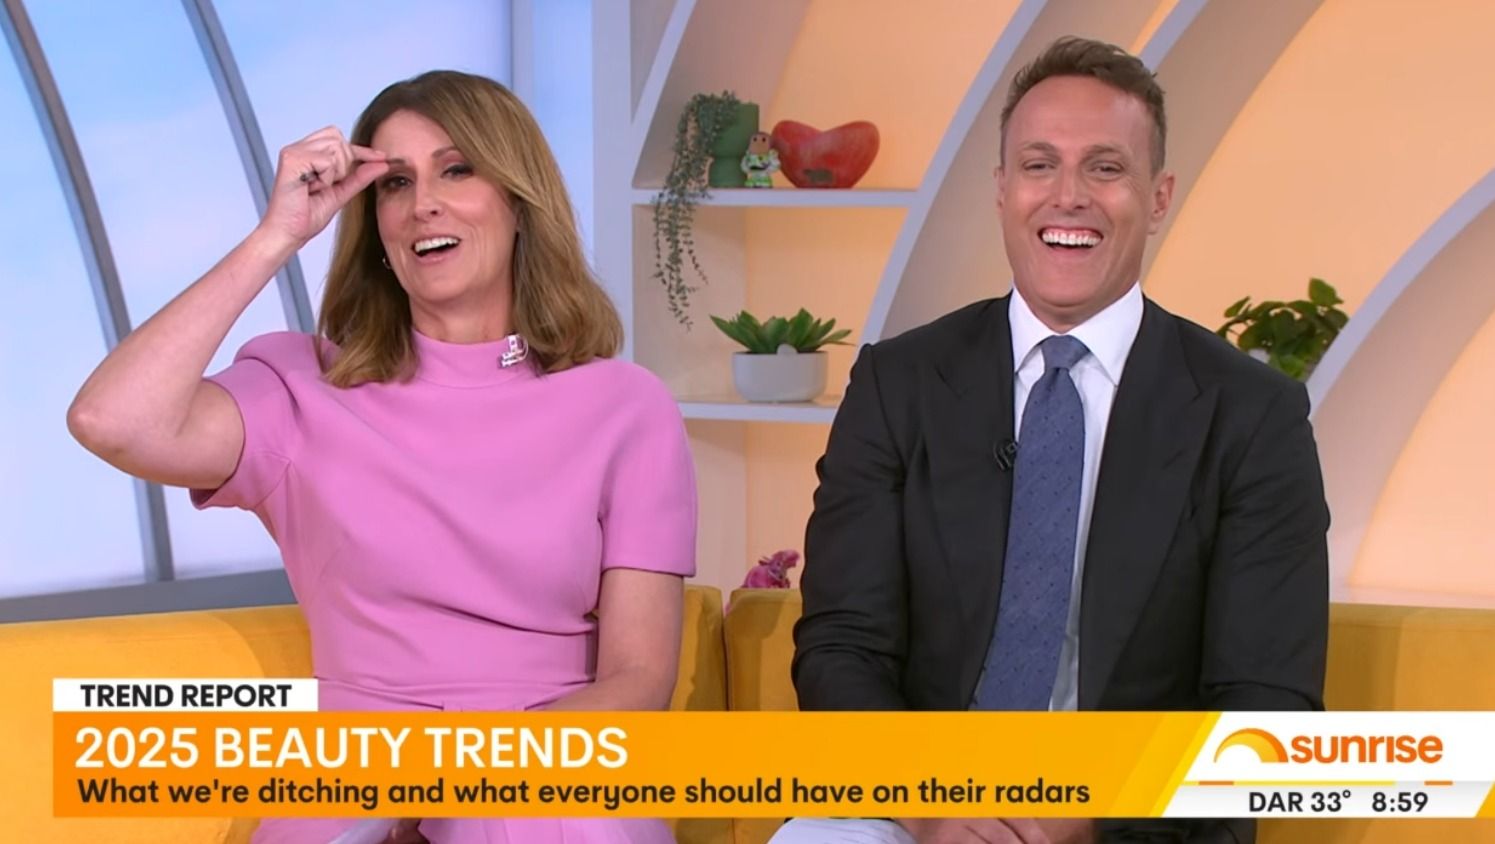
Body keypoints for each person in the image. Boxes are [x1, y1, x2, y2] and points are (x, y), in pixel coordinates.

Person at [67, 70, 696, 844]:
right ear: (376, 226)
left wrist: (460, 782)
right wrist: (276, 237)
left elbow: (638, 680)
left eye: (456, 170)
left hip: (552, 768)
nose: (423, 202)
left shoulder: (625, 406)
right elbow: (109, 420)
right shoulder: (301, 387)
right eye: (396, 182)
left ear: (519, 203)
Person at [774, 37, 1329, 844]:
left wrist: (1086, 816)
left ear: (1158, 197)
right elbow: (840, 646)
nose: (1068, 196)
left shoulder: (1250, 416)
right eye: (1039, 165)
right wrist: (928, 804)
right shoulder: (898, 383)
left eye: (1105, 168)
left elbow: (1264, 706)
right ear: (1002, 189)